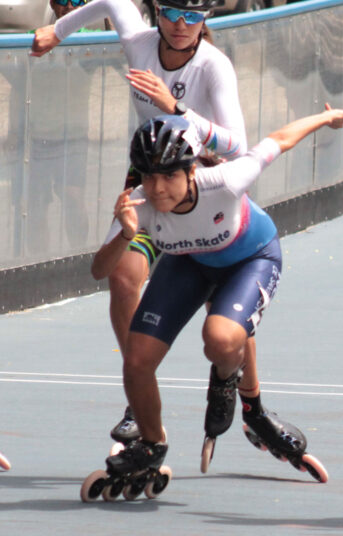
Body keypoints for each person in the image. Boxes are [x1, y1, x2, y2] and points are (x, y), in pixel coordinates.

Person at [30, 0, 296, 458]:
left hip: (200, 183)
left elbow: (238, 144)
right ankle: (139, 399)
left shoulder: (214, 66)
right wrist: (59, 31)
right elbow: (112, 1)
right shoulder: (138, 43)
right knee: (121, 275)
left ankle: (250, 402)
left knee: (221, 295)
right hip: (148, 181)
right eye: (172, 12)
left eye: (194, 16)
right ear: (157, 10)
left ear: (206, 19)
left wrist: (174, 106)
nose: (181, 25)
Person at [80, 105, 343, 502]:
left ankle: (228, 377)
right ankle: (152, 443)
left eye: (169, 176)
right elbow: (98, 270)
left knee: (221, 339)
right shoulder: (138, 203)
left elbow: (279, 140)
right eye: (149, 176)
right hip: (190, 262)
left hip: (250, 259)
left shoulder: (226, 180)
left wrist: (327, 119)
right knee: (137, 359)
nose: (158, 189)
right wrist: (124, 235)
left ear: (191, 170)